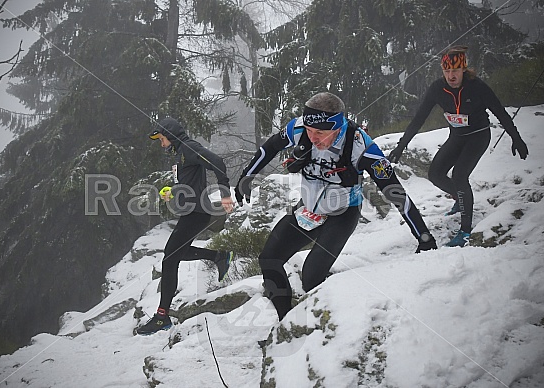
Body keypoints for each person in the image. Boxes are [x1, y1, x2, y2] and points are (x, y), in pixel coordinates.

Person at [234, 92, 437, 322]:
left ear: (337, 127)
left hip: (342, 215)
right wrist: (246, 177)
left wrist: (424, 236)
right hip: (308, 210)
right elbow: (268, 148)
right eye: (310, 131)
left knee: (311, 278)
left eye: (320, 133)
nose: (312, 138)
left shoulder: (360, 145)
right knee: (269, 260)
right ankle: (286, 324)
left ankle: (338, 317)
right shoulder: (299, 128)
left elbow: (395, 192)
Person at [388, 46, 529, 247]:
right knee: (435, 174)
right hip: (457, 136)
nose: (451, 76)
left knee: (460, 176)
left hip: (478, 136)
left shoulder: (477, 87)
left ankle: (464, 230)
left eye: (455, 71)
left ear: (463, 69)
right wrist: (401, 147)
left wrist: (516, 138)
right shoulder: (438, 88)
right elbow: (419, 119)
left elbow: (500, 112)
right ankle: (462, 199)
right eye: (447, 71)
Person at [136, 117, 235, 335]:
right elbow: (192, 182)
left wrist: (225, 194)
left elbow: (217, 161)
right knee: (174, 255)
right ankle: (218, 256)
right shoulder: (181, 154)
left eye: (162, 139)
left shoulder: (189, 147)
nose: (161, 144)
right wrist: (173, 190)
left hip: (197, 213)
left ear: (170, 136)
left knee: (170, 259)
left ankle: (162, 317)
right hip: (192, 212)